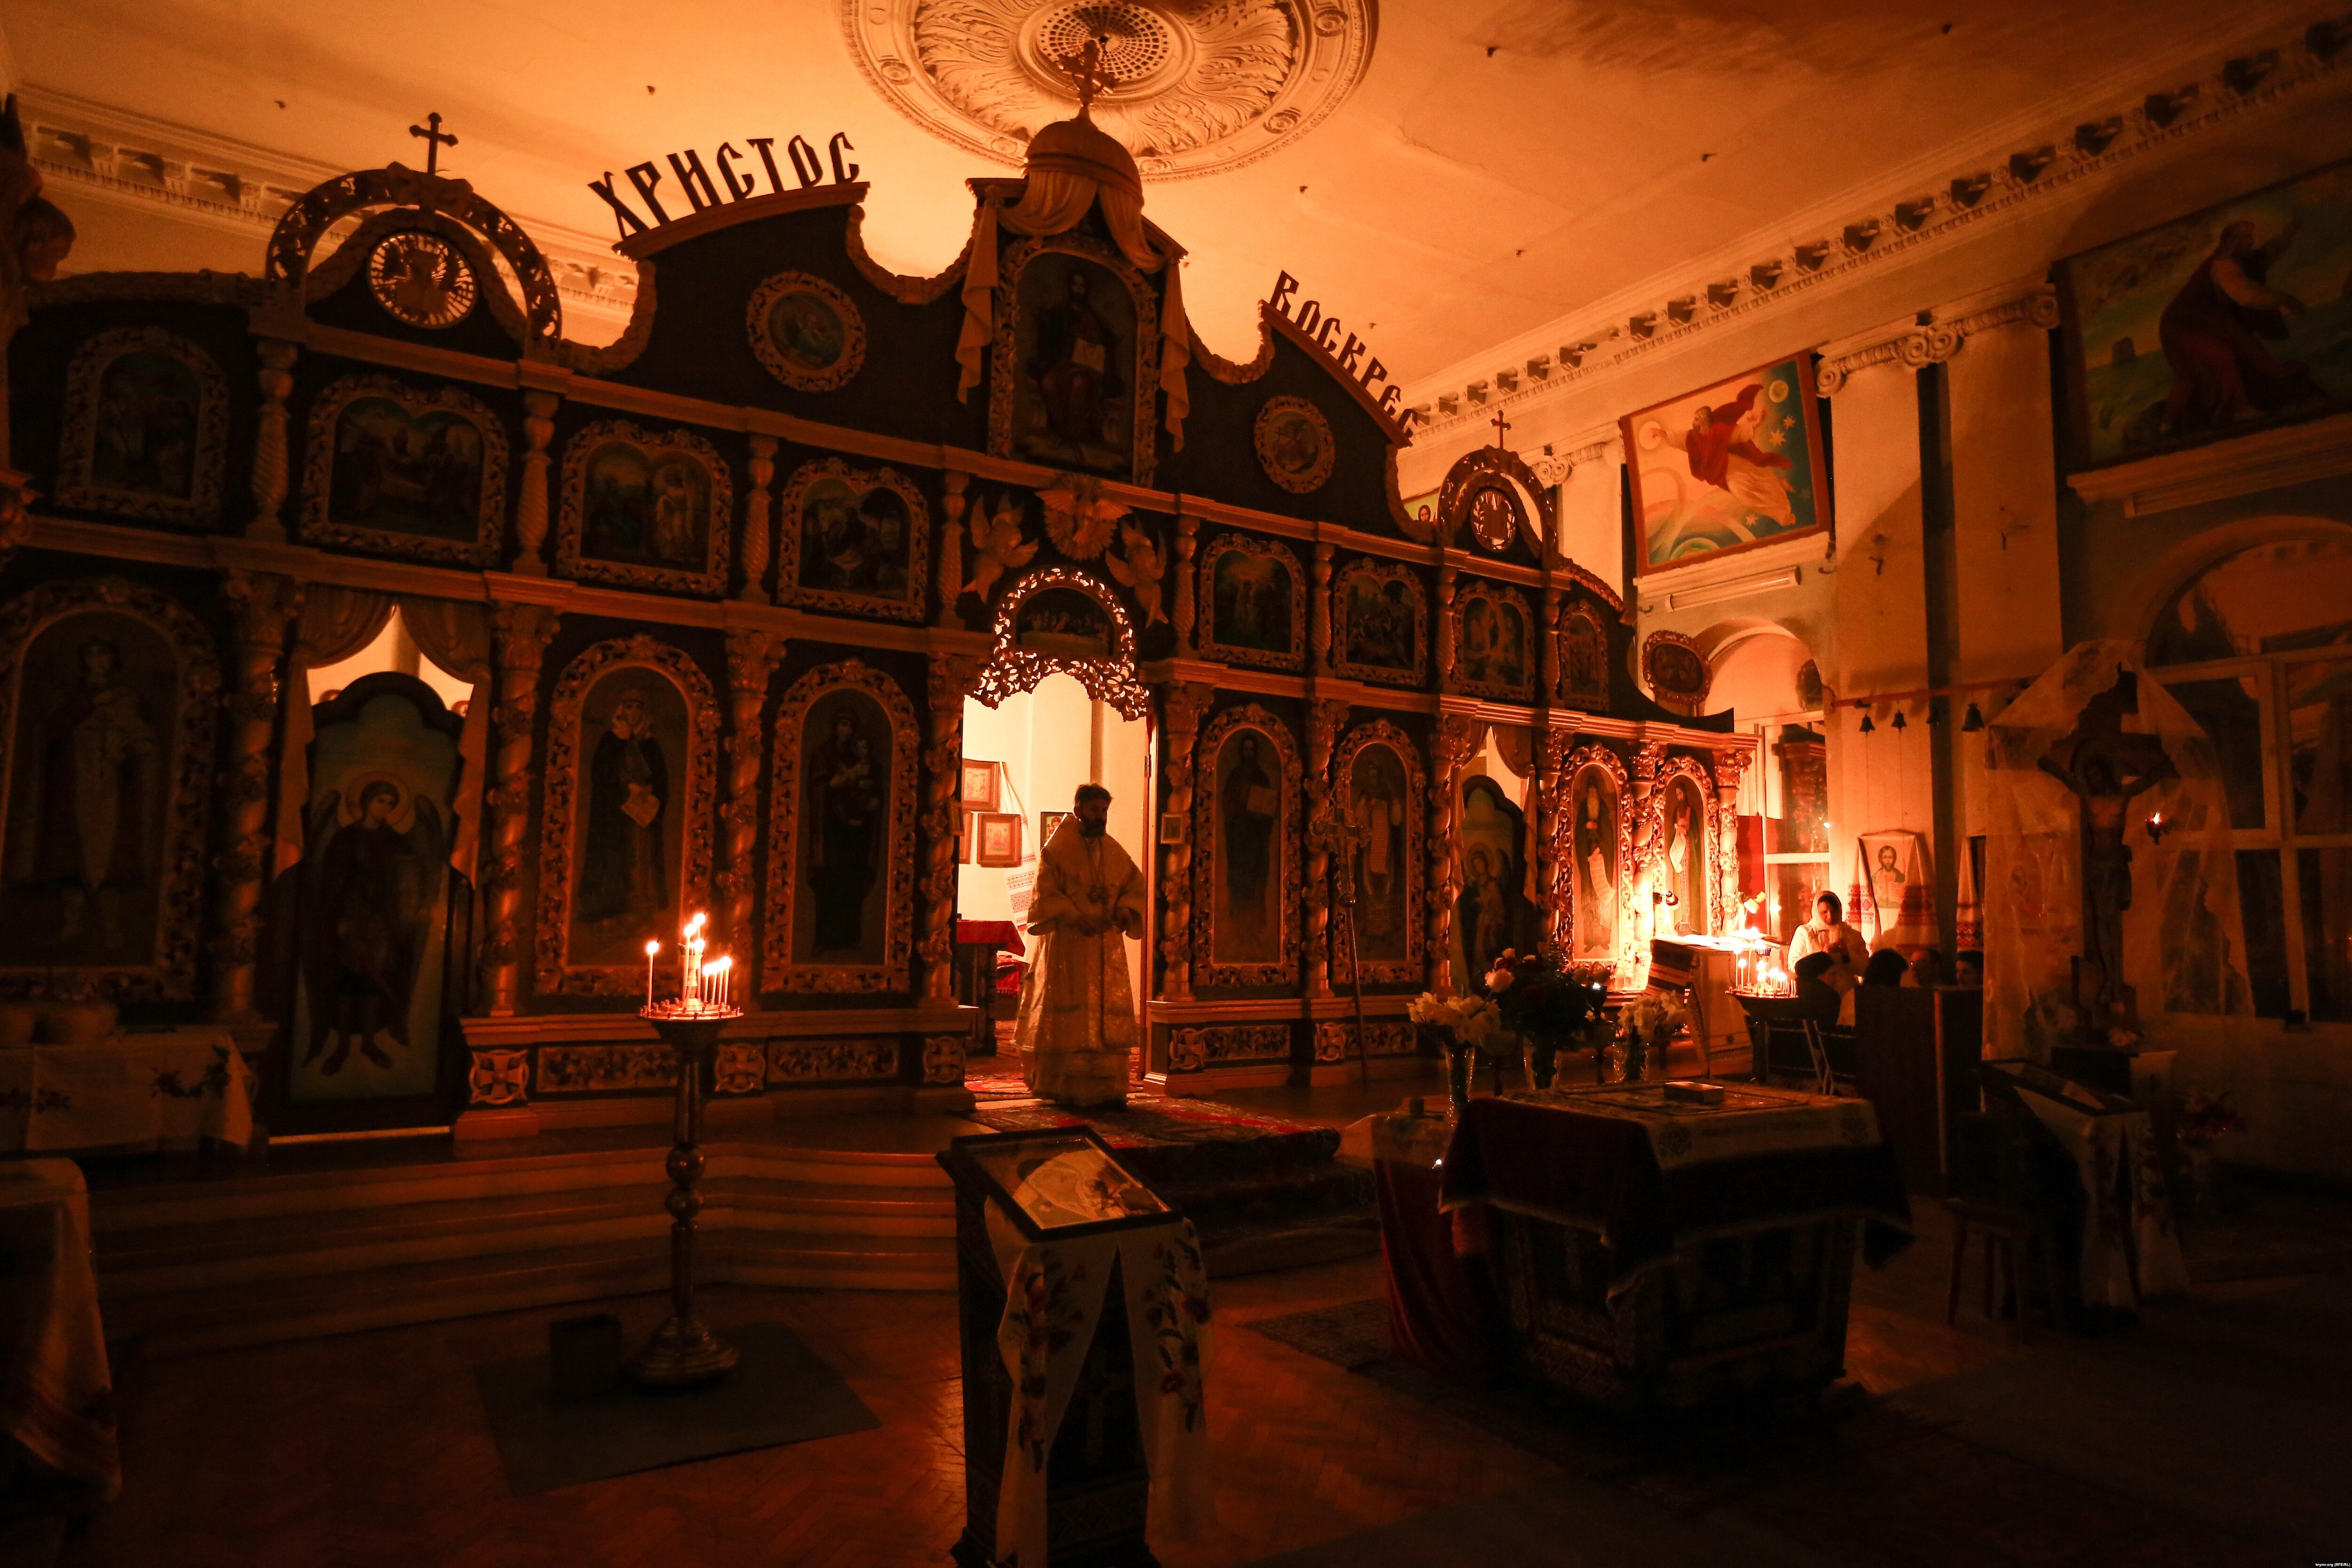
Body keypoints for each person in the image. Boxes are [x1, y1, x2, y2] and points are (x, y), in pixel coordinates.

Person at [1016, 784, 1146, 1108]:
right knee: (1071, 1017)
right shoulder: (1056, 850)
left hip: (1104, 944)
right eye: (1094, 810)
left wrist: (1125, 910)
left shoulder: (1113, 851)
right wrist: (1074, 916)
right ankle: (1065, 1086)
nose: (1100, 817)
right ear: (1078, 811)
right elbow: (1045, 894)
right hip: (1069, 945)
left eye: (1104, 811)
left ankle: (1107, 1088)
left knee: (1102, 1017)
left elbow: (1134, 886)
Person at [1785, 891, 1866, 971]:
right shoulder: (1805, 933)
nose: (1830, 916)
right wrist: (1821, 955)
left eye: (1834, 911)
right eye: (1824, 912)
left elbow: (1865, 969)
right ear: (1817, 911)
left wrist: (1848, 955)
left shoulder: (1852, 935)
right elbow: (1793, 965)